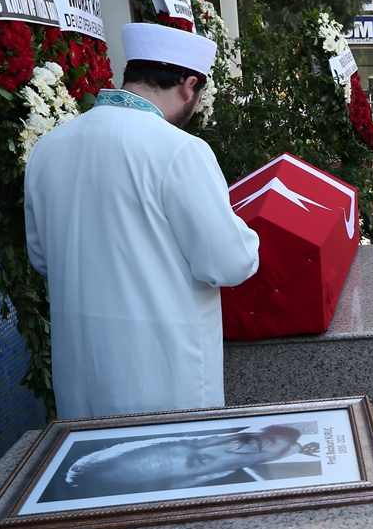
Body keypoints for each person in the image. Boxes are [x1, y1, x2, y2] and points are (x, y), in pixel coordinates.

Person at [24, 23, 260, 419]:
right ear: (189, 86)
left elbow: (42, 259)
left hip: (82, 381)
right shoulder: (180, 149)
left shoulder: (49, 147)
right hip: (165, 382)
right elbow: (230, 262)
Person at [59, 425, 317, 498]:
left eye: (194, 442)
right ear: (206, 477)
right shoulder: (284, 485)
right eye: (201, 459)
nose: (223, 443)